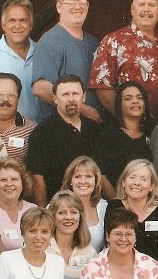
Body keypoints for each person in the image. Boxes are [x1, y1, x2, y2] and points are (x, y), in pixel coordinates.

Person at [90, 0, 158, 119]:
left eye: (152, 5)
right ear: (132, 9)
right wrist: (127, 120)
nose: (146, 9)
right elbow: (102, 88)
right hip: (132, 130)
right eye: (141, 4)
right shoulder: (113, 41)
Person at [31, 0, 102, 123]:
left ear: (87, 6)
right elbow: (40, 88)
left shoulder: (93, 42)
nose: (77, 7)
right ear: (58, 7)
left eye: (82, 2)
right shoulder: (50, 41)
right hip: (60, 129)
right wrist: (82, 109)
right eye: (71, 3)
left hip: (90, 128)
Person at [27, 75, 105, 205]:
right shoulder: (42, 133)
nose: (71, 99)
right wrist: (45, 214)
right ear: (55, 99)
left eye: (75, 94)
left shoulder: (94, 129)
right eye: (65, 95)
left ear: (84, 97)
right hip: (59, 209)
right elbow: (37, 179)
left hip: (92, 205)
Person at [78, 207, 158, 279]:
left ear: (135, 238)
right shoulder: (91, 269)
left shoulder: (152, 268)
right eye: (117, 234)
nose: (123, 239)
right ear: (107, 236)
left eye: (129, 234)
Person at [105, 159, 158, 274]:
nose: (137, 182)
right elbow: (109, 243)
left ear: (152, 186)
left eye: (143, 179)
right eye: (132, 177)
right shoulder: (114, 206)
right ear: (123, 182)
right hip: (121, 274)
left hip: (155, 275)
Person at [93, 80, 154, 188]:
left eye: (139, 98)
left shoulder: (152, 132)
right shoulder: (108, 135)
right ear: (119, 104)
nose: (135, 101)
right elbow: (101, 175)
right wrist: (118, 201)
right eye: (128, 98)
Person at [47, 190, 96, 279]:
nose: (68, 217)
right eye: (61, 213)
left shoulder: (90, 253)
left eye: (73, 212)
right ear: (52, 216)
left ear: (80, 216)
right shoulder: (42, 248)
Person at [0, 73, 37, 163]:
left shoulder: (32, 129)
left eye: (11, 95)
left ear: (18, 99)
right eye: (0, 94)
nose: (5, 99)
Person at [0, 157, 35, 251]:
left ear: (23, 184)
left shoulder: (33, 210)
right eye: (3, 180)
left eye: (14, 179)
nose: (9, 184)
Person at [60, 156, 108, 253]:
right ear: (70, 181)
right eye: (77, 176)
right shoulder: (56, 205)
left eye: (88, 176)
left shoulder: (104, 207)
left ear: (96, 181)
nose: (83, 181)